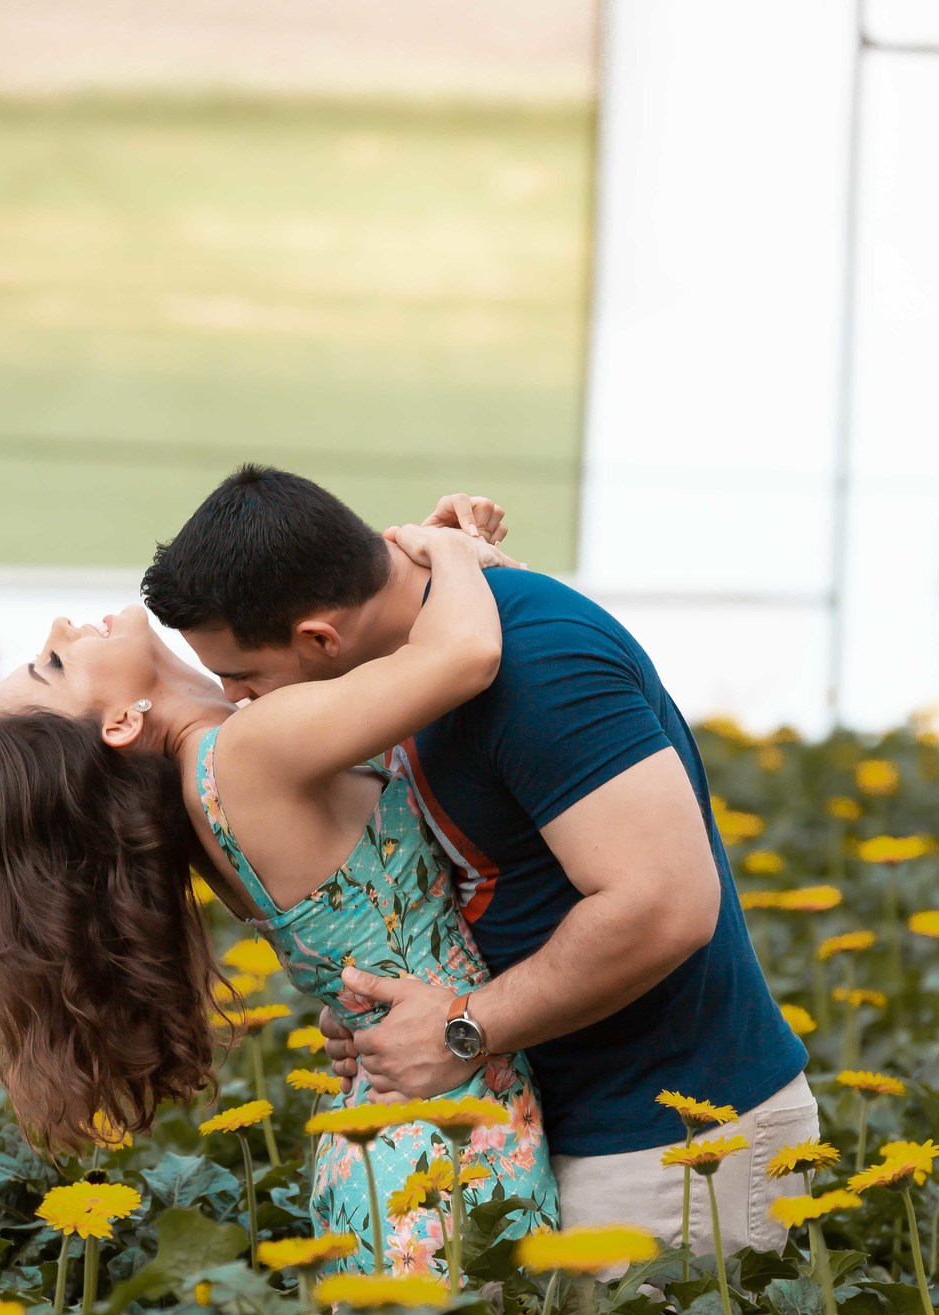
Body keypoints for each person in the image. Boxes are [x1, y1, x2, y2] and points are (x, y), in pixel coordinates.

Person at [143, 465, 820, 1256]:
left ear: (320, 638)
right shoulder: (406, 663)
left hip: (671, 1151)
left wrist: (463, 1028)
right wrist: (396, 1014)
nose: (240, 700)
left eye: (244, 677)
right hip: (556, 1132)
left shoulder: (539, 663)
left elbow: (664, 904)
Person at [0, 507, 558, 1278]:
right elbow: (467, 653)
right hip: (441, 1137)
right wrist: (443, 549)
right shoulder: (246, 755)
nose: (63, 626)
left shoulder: (209, 783)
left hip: (390, 1129)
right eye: (56, 665)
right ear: (117, 726)